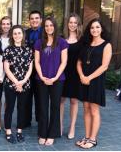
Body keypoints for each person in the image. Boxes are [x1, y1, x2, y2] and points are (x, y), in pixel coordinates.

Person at [76, 19, 113, 149]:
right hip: (84, 80)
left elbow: (104, 66)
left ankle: (93, 139)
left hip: (96, 81)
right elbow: (79, 62)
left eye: (97, 27)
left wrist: (89, 78)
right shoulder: (85, 44)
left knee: (94, 110)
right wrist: (81, 76)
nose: (95, 30)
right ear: (89, 30)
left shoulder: (106, 45)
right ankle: (86, 137)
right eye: (92, 27)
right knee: (86, 109)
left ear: (101, 29)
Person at [34, 17, 68, 145]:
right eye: (46, 25)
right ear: (44, 27)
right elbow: (36, 61)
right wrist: (42, 76)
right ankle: (42, 133)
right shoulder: (39, 42)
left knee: (55, 107)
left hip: (57, 80)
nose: (49, 28)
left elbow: (64, 62)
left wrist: (55, 77)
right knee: (42, 107)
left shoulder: (62, 42)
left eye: (51, 25)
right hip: (41, 79)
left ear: (55, 26)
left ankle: (52, 134)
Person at [3, 25, 33, 144]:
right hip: (11, 84)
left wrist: (23, 82)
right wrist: (16, 82)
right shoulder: (8, 50)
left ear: (23, 35)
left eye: (19, 33)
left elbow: (31, 68)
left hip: (25, 84)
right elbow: (6, 69)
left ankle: (19, 130)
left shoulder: (28, 50)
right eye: (14, 33)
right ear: (12, 35)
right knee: (9, 108)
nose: (17, 35)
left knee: (22, 109)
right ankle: (8, 131)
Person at [61, 13, 83, 139]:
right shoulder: (61, 38)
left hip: (75, 74)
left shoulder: (82, 40)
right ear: (67, 24)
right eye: (71, 22)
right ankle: (60, 126)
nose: (73, 25)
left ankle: (72, 127)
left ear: (78, 24)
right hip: (63, 72)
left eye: (75, 22)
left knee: (74, 101)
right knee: (61, 100)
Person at [24, 11, 43, 128]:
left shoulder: (46, 32)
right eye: (32, 18)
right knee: (26, 96)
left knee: (40, 96)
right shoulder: (25, 33)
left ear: (41, 20)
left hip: (41, 69)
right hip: (27, 69)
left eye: (36, 18)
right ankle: (26, 120)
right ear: (29, 20)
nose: (34, 20)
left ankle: (40, 120)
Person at [0, 16, 12, 131]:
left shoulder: (14, 37)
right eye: (3, 23)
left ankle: (7, 121)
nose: (5, 26)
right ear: (0, 25)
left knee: (8, 99)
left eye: (8, 24)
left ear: (10, 25)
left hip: (10, 72)